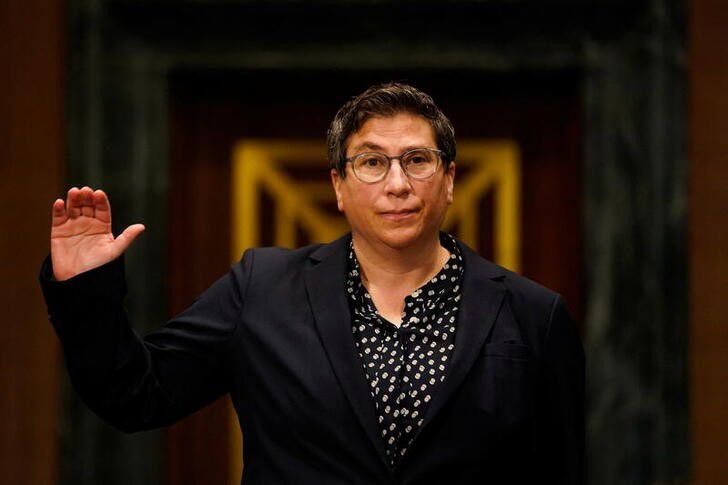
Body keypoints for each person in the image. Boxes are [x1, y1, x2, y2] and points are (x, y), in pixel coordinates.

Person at [40, 82, 584, 484]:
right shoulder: (262, 288)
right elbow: (136, 395)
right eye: (372, 162)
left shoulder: (532, 314)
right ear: (339, 186)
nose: (397, 183)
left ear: (448, 181)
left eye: (418, 160)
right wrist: (86, 288)